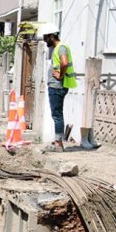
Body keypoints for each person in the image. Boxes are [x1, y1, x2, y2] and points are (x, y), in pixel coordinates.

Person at [38, 23, 77, 152]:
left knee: (57, 115)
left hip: (57, 87)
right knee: (57, 114)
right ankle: (57, 142)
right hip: (58, 86)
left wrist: (60, 75)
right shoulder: (59, 48)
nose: (44, 40)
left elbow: (64, 63)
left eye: (45, 37)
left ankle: (58, 144)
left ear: (51, 36)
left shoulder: (60, 48)